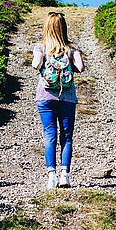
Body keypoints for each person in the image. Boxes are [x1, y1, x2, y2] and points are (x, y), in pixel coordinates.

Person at [32, 11, 85, 189]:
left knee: (50, 135)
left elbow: (35, 65)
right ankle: (65, 175)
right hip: (68, 98)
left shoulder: (41, 47)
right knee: (67, 136)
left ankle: (51, 176)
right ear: (63, 28)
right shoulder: (72, 48)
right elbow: (80, 67)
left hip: (45, 97)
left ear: (47, 27)